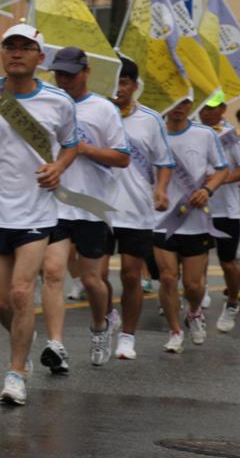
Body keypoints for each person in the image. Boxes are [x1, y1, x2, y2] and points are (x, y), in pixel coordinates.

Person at [0, 24, 77, 406]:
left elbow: (72, 146)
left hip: (35, 212)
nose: (16, 53)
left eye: (26, 48)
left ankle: (16, 372)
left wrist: (58, 167)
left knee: (23, 293)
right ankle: (25, 338)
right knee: (5, 304)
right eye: (10, 47)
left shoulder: (59, 102)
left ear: (40, 58)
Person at [42, 47, 130, 371]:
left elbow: (123, 157)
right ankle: (56, 344)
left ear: (86, 71)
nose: (63, 79)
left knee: (93, 281)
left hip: (91, 205)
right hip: (55, 203)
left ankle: (100, 327)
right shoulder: (48, 104)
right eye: (58, 73)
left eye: (70, 73)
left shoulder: (103, 109)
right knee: (52, 272)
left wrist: (84, 149)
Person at [108, 56, 174, 359]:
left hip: (136, 210)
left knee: (132, 276)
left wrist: (160, 189)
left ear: (134, 86)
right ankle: (107, 314)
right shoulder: (95, 111)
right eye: (115, 80)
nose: (118, 87)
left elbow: (164, 161)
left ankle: (127, 337)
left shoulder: (150, 119)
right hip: (98, 209)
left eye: (124, 81)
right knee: (92, 276)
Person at [156, 98, 228, 351]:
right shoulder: (154, 131)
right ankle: (175, 331)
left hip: (194, 220)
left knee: (193, 285)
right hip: (161, 219)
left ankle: (194, 311)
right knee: (167, 278)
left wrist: (207, 189)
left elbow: (221, 169)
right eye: (174, 101)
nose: (178, 106)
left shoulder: (205, 134)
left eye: (185, 102)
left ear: (191, 105)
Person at [198, 96, 240, 333]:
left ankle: (232, 302)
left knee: (226, 262)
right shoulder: (194, 132)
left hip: (227, 210)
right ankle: (199, 295)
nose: (206, 112)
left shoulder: (231, 136)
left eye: (212, 108)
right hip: (201, 207)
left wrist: (218, 182)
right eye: (203, 107)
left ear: (223, 109)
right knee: (198, 256)